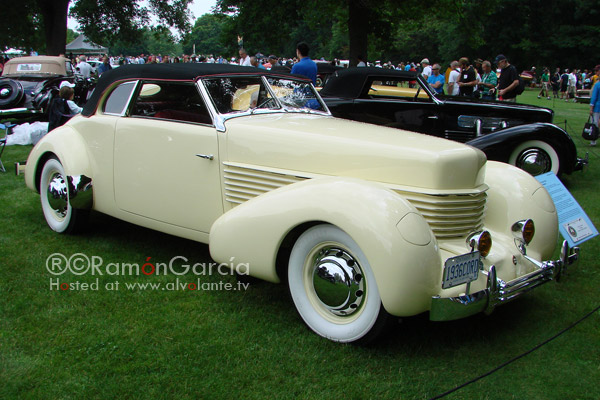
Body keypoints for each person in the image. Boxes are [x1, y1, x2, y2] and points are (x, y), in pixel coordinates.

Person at [590, 77, 600, 146]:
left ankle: (593, 140)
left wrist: (591, 108)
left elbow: (594, 97)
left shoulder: (597, 85)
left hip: (597, 106)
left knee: (594, 123)